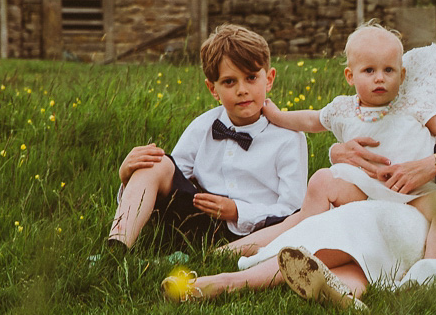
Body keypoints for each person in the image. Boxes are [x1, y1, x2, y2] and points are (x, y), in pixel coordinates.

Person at [170, 0, 436, 305]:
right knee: (352, 217)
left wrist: (435, 166)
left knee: (359, 222)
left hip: (435, 205)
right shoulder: (419, 61)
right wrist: (340, 149)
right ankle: (343, 291)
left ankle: (226, 282)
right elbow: (367, 109)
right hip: (371, 184)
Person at [254, 21, 436, 261]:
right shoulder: (343, 108)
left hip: (413, 192)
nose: (379, 79)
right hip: (363, 188)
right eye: (369, 71)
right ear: (350, 76)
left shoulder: (411, 104)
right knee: (322, 180)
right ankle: (305, 242)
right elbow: (312, 121)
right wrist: (277, 116)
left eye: (388, 70)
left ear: (402, 74)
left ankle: (429, 267)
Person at [106, 24, 307, 254]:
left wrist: (237, 211)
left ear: (269, 79)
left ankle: (214, 257)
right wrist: (127, 177)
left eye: (251, 78)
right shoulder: (204, 125)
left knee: (292, 223)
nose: (242, 90)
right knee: (156, 162)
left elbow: (293, 208)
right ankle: (117, 247)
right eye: (229, 82)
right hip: (198, 221)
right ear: (213, 89)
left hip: (256, 230)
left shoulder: (289, 137)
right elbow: (171, 177)